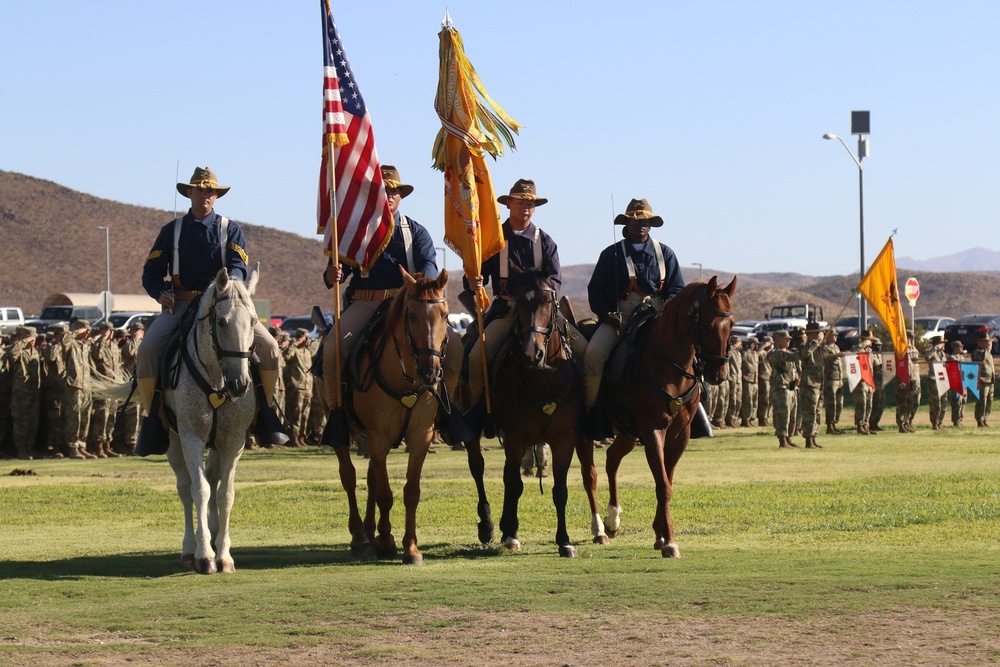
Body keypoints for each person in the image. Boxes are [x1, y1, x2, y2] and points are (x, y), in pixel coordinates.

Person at [138, 167, 285, 454]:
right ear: (189, 193)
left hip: (224, 304)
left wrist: (231, 288)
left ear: (216, 196)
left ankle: (266, 413)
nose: (205, 195)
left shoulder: (230, 229)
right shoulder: (171, 231)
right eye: (200, 189)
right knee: (147, 351)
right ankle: (153, 418)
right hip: (182, 303)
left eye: (211, 191)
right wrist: (160, 292)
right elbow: (151, 272)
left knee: (269, 348)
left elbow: (239, 267)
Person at [321, 166, 464, 441]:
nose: (388, 195)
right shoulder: (353, 232)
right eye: (382, 190)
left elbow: (429, 268)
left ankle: (446, 411)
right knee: (332, 348)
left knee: (455, 348)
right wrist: (333, 273)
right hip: (366, 302)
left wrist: (421, 282)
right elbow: (334, 274)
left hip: (409, 306)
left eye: (394, 191)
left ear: (401, 196)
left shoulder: (416, 232)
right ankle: (338, 415)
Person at [463, 178, 587, 405]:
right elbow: (474, 276)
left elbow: (555, 280)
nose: (526, 208)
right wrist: (473, 282)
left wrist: (542, 301)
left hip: (541, 311)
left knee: (583, 349)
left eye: (530, 204)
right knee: (475, 356)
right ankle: (479, 409)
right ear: (508, 204)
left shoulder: (546, 241)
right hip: (506, 310)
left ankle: (585, 411)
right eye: (520, 202)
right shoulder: (492, 239)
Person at [583, 197, 685, 438]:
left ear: (651, 225)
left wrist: (667, 308)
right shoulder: (611, 254)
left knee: (690, 351)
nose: (640, 225)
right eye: (635, 221)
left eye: (645, 221)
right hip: (622, 317)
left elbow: (677, 289)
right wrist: (607, 315)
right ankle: (591, 412)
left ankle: (694, 409)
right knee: (593, 354)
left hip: (657, 316)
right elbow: (595, 290)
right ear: (625, 224)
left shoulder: (665, 253)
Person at [8, 326, 41, 460]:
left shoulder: (35, 352)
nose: (32, 342)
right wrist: (22, 341)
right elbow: (12, 354)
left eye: (34, 339)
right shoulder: (18, 351)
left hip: (34, 392)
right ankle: (21, 450)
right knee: (21, 422)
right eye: (30, 339)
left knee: (33, 422)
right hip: (21, 393)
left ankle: (29, 448)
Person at [63, 320, 94, 459]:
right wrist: (76, 331)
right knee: (74, 417)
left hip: (86, 385)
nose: (88, 332)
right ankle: (73, 447)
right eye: (85, 330)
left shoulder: (85, 345)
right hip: (74, 386)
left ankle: (82, 445)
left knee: (85, 417)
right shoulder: (71, 343)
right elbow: (64, 343)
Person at [767, 330, 801, 448]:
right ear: (777, 340)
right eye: (786, 339)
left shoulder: (786, 352)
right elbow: (794, 357)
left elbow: (791, 369)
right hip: (781, 387)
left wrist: (796, 378)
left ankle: (788, 437)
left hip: (790, 387)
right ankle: (782, 439)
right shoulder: (777, 353)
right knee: (783, 414)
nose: (789, 340)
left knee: (792, 415)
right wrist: (811, 347)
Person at [797, 321, 826, 448]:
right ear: (812, 334)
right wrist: (815, 342)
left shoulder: (817, 347)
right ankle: (808, 439)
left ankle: (814, 436)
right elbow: (804, 354)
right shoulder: (806, 345)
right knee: (809, 412)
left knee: (817, 411)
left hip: (818, 382)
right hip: (809, 383)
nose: (820, 334)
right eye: (818, 333)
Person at [283, 328, 314, 447]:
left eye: (307, 338)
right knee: (296, 414)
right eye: (304, 338)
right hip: (297, 387)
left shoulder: (307, 352)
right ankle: (293, 437)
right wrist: (294, 344)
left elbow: (309, 372)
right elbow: (286, 356)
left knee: (305, 414)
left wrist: (310, 389)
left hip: (307, 388)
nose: (307, 340)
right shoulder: (294, 350)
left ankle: (302, 436)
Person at [852, 331, 877, 435]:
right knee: (861, 404)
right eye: (869, 340)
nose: (871, 342)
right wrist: (863, 344)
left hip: (869, 380)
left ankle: (865, 424)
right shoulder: (858, 348)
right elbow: (854, 351)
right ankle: (859, 425)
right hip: (861, 380)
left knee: (869, 404)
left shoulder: (870, 351)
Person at [821, 330, 844, 434]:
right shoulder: (825, 348)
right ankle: (830, 425)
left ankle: (835, 423)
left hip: (838, 378)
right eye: (833, 335)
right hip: (830, 378)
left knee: (839, 403)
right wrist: (835, 356)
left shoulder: (836, 347)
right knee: (831, 403)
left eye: (836, 336)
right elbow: (824, 360)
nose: (835, 337)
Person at [971, 332, 995, 427]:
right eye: (985, 342)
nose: (987, 343)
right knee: (982, 401)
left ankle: (985, 418)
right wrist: (988, 348)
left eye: (988, 342)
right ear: (979, 342)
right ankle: (979, 419)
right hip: (982, 379)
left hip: (990, 380)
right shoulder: (977, 352)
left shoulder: (988, 353)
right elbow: (981, 359)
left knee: (989, 401)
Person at [924, 335, 947, 430]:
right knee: (935, 403)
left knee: (944, 402)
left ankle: (940, 422)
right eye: (942, 343)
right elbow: (927, 357)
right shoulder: (931, 352)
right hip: (934, 379)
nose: (944, 345)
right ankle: (934, 423)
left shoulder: (943, 354)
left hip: (943, 380)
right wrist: (935, 348)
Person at [946, 340, 967, 427]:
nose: (962, 348)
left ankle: (960, 419)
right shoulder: (951, 357)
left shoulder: (962, 357)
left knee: (963, 401)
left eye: (962, 346)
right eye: (960, 347)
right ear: (955, 348)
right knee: (956, 402)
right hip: (955, 383)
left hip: (963, 382)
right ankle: (956, 420)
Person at [739, 336, 759, 427]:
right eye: (754, 344)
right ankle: (745, 419)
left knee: (755, 401)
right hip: (747, 379)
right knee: (748, 401)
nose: (756, 346)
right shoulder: (745, 353)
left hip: (755, 380)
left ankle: (751, 418)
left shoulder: (755, 354)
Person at [868, 338, 885, 432]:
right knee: (875, 403)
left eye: (880, 345)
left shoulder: (880, 356)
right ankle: (871, 423)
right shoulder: (872, 356)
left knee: (881, 404)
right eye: (877, 345)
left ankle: (876, 422)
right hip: (875, 382)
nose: (879, 347)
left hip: (882, 382)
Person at [757, 334, 773, 426]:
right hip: (763, 378)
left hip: (769, 377)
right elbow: (756, 354)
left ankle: (766, 417)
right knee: (764, 399)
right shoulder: (761, 352)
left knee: (769, 400)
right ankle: (762, 418)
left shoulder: (770, 352)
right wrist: (763, 346)